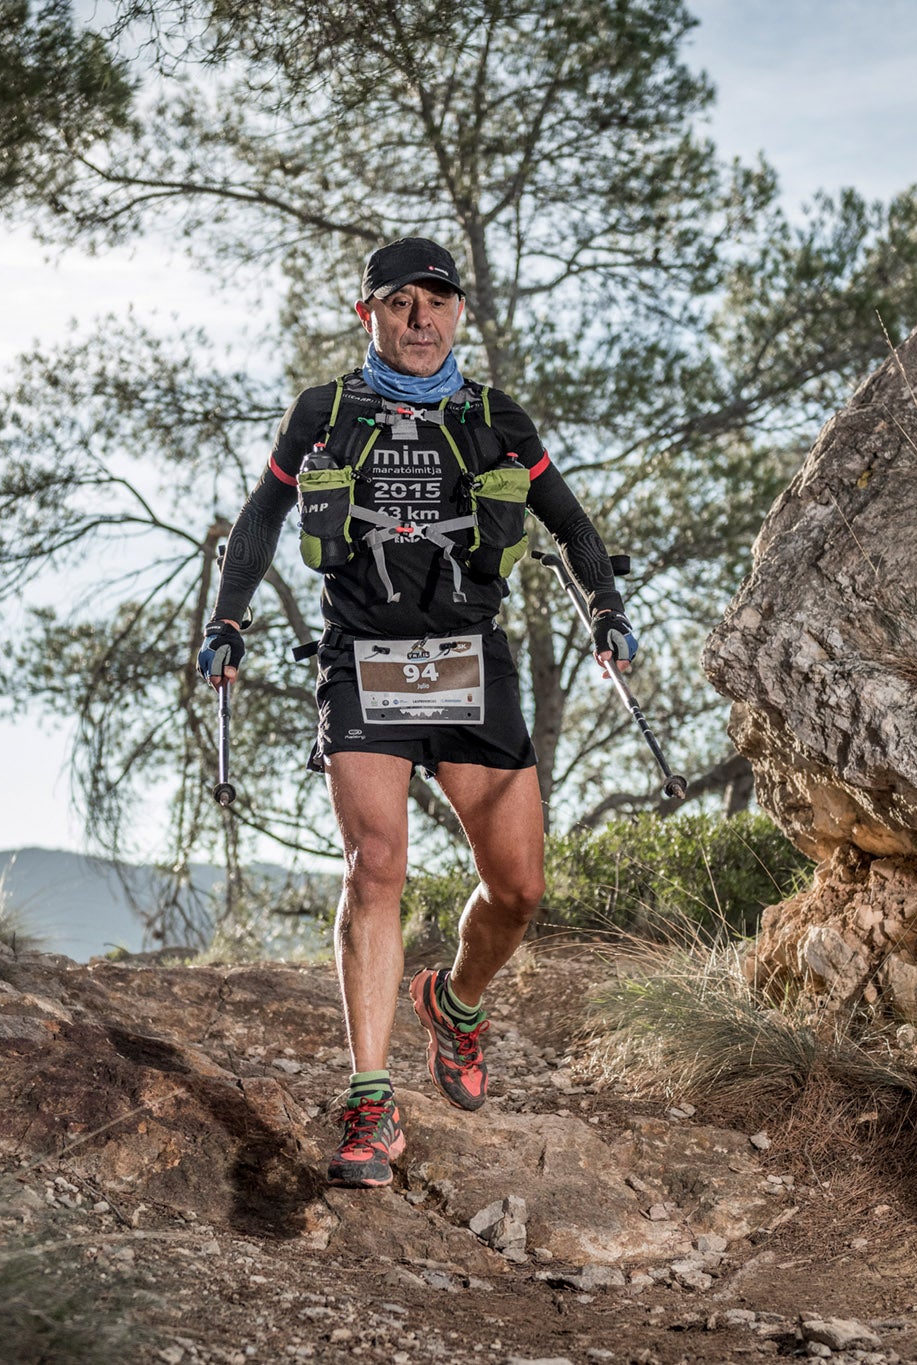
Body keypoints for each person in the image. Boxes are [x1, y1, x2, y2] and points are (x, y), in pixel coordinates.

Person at [196, 238, 637, 1188]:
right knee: (375, 867)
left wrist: (606, 607)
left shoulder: (495, 417)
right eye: (401, 304)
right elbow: (262, 518)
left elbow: (569, 521)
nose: (421, 320)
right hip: (365, 660)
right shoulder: (324, 414)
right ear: (371, 316)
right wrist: (226, 619)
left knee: (518, 889)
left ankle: (457, 1002)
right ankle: (369, 1101)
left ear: (459, 315)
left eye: (437, 303)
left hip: (472, 659)